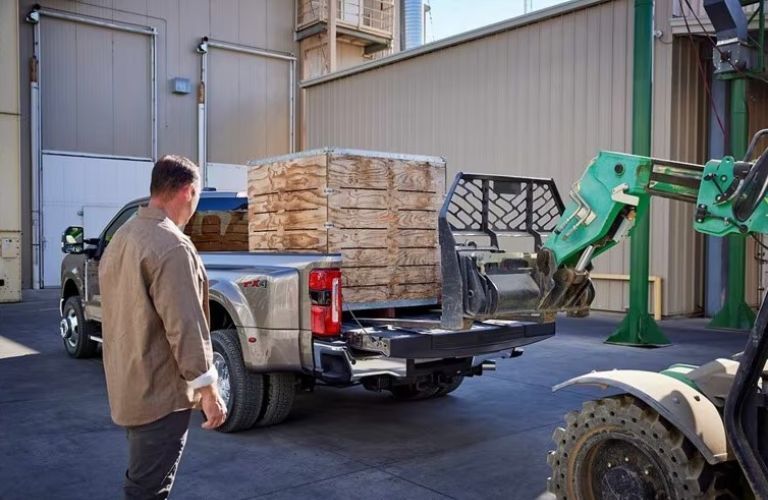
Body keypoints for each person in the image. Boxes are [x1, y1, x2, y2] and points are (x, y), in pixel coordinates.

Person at [99, 155, 227, 499]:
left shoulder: (123, 237)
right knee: (147, 490)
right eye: (196, 196)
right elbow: (185, 325)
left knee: (143, 480)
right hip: (160, 395)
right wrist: (208, 390)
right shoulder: (171, 245)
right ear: (187, 191)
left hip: (129, 386)